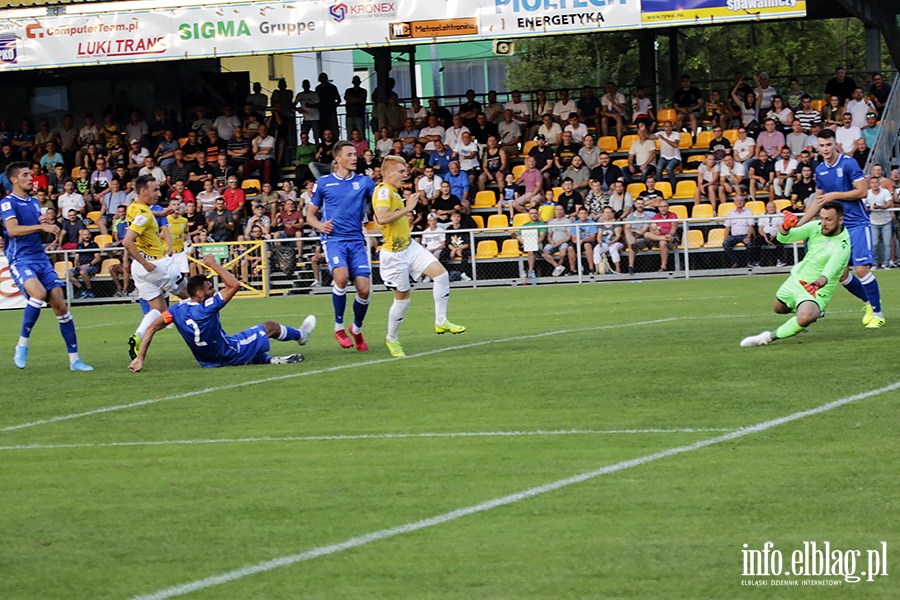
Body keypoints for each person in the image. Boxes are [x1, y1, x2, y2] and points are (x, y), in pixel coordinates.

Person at [129, 253, 316, 371]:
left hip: (207, 361)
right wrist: (214, 265)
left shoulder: (176, 311)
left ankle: (271, 360)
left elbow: (152, 328)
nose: (212, 291)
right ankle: (301, 336)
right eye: (209, 288)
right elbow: (234, 285)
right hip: (227, 353)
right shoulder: (207, 307)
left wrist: (140, 358)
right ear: (200, 294)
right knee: (270, 326)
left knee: (248, 343)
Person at [2, 162, 92, 370]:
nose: (30, 178)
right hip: (21, 260)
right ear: (14, 179)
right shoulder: (8, 203)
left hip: (41, 259)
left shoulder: (34, 202)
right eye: (25, 175)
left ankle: (74, 360)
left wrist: (44, 223)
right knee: (39, 294)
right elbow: (13, 230)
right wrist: (41, 225)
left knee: (61, 306)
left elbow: (35, 227)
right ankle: (22, 345)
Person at [373, 155, 465, 357]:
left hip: (409, 246)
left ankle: (441, 321)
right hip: (394, 253)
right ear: (388, 173)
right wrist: (407, 209)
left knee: (441, 275)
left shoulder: (393, 192)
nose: (405, 174)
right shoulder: (382, 191)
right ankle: (392, 339)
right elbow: (381, 217)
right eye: (400, 171)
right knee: (403, 300)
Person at [799, 128, 883, 328]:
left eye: (829, 145)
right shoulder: (820, 170)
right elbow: (820, 201)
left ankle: (878, 314)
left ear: (835, 144)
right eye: (822, 146)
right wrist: (800, 223)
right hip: (838, 228)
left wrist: (835, 194)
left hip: (857, 223)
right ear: (817, 147)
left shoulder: (848, 163)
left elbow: (862, 191)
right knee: (841, 274)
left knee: (862, 269)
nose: (826, 149)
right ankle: (869, 304)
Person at [740, 201, 851, 347]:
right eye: (822, 218)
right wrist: (786, 227)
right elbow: (783, 238)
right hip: (797, 280)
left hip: (817, 290)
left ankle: (767, 338)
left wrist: (816, 285)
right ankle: (813, 311)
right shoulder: (816, 227)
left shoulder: (843, 245)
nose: (823, 223)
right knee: (779, 309)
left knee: (805, 317)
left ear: (840, 220)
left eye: (828, 219)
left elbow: (829, 272)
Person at [307, 141, 376, 350]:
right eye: (350, 154)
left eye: (356, 154)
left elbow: (379, 204)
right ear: (338, 159)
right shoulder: (324, 183)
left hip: (356, 240)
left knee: (364, 290)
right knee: (342, 277)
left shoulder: (365, 182)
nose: (355, 158)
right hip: (334, 240)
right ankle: (338, 327)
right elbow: (310, 215)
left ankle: (356, 328)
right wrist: (320, 225)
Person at [124, 175, 190, 360]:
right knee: (190, 297)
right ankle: (200, 336)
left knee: (159, 310)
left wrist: (161, 214)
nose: (158, 194)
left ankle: (139, 335)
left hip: (139, 269)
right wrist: (146, 263)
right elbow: (127, 241)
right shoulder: (144, 215)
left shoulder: (133, 208)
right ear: (143, 191)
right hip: (157, 265)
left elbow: (145, 217)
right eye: (155, 190)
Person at [722, 195, 760, 268]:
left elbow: (751, 226)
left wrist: (748, 237)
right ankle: (735, 262)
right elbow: (727, 227)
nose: (739, 202)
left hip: (745, 235)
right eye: (737, 201)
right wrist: (725, 238)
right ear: (734, 202)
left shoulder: (748, 212)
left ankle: (749, 262)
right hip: (734, 236)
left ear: (744, 202)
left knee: (750, 244)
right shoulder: (731, 213)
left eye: (741, 200)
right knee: (726, 243)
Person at [865, 176, 893, 270]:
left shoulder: (885, 192)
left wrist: (881, 207)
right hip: (873, 221)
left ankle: (886, 263)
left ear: (879, 183)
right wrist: (867, 208)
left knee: (887, 243)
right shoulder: (867, 193)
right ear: (870, 184)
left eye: (876, 183)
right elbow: (864, 204)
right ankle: (875, 263)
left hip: (886, 221)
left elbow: (889, 203)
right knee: (874, 243)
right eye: (872, 183)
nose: (874, 185)